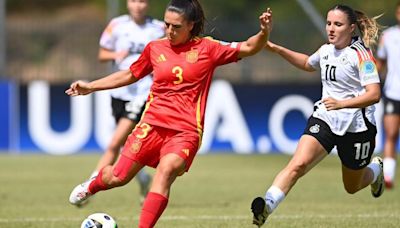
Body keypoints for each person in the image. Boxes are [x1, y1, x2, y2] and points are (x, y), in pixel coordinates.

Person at [66, 0, 273, 227]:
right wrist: (91, 87)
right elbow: (129, 75)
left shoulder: (208, 48)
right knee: (118, 176)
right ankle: (92, 185)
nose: (170, 31)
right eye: (167, 25)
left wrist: (263, 33)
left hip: (185, 132)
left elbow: (249, 47)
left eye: (176, 27)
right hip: (151, 125)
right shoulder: (155, 48)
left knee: (165, 171)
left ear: (191, 25)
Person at [251, 5, 384, 227]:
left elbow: (374, 94)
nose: (331, 29)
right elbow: (306, 63)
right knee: (297, 165)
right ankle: (267, 205)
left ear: (352, 28)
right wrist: (275, 48)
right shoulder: (326, 50)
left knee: (352, 186)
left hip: (357, 128)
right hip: (326, 119)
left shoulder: (361, 55)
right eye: (329, 23)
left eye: (338, 25)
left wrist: (342, 104)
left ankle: (376, 170)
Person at [88, 0, 165, 205]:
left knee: (114, 142)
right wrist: (115, 54)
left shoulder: (159, 28)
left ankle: (89, 186)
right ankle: (142, 178)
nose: (138, 5)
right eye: (133, 0)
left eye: (142, 1)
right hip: (119, 91)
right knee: (124, 144)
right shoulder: (116, 25)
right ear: (127, 3)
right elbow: (102, 54)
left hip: (143, 92)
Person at [376, 1, 400, 189]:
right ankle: (389, 176)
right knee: (391, 134)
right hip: (393, 92)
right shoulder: (388, 36)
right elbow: (380, 63)